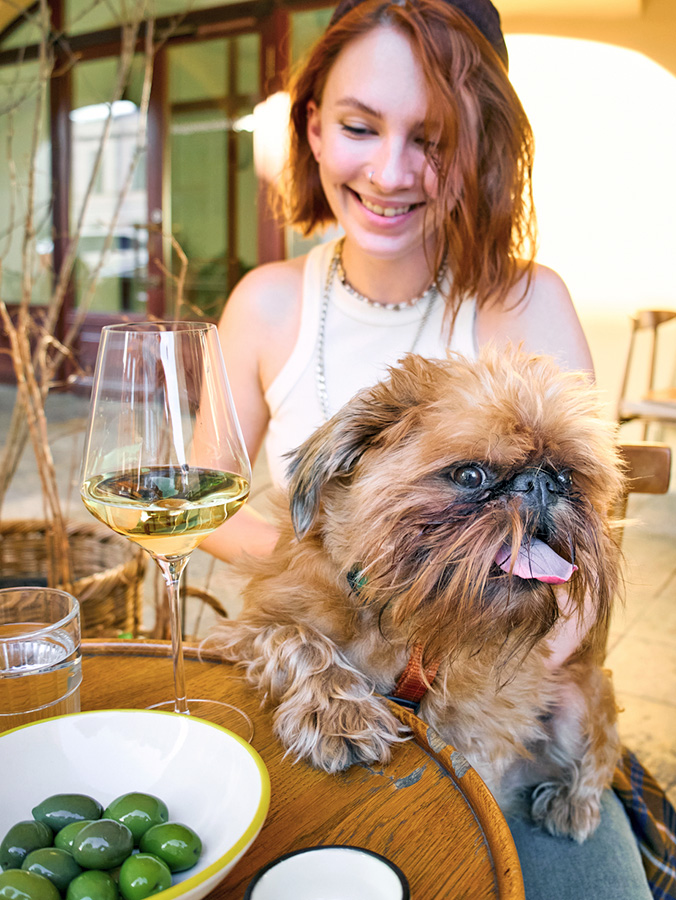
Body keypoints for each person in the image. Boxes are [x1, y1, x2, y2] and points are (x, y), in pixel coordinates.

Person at [201, 0, 656, 896]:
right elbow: (202, 503)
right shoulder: (266, 302)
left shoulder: (526, 302)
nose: (390, 170)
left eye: (434, 139)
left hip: (505, 704)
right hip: (319, 672)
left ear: (482, 146)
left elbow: (572, 553)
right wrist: (342, 574)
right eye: (360, 126)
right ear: (313, 129)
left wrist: (498, 618)